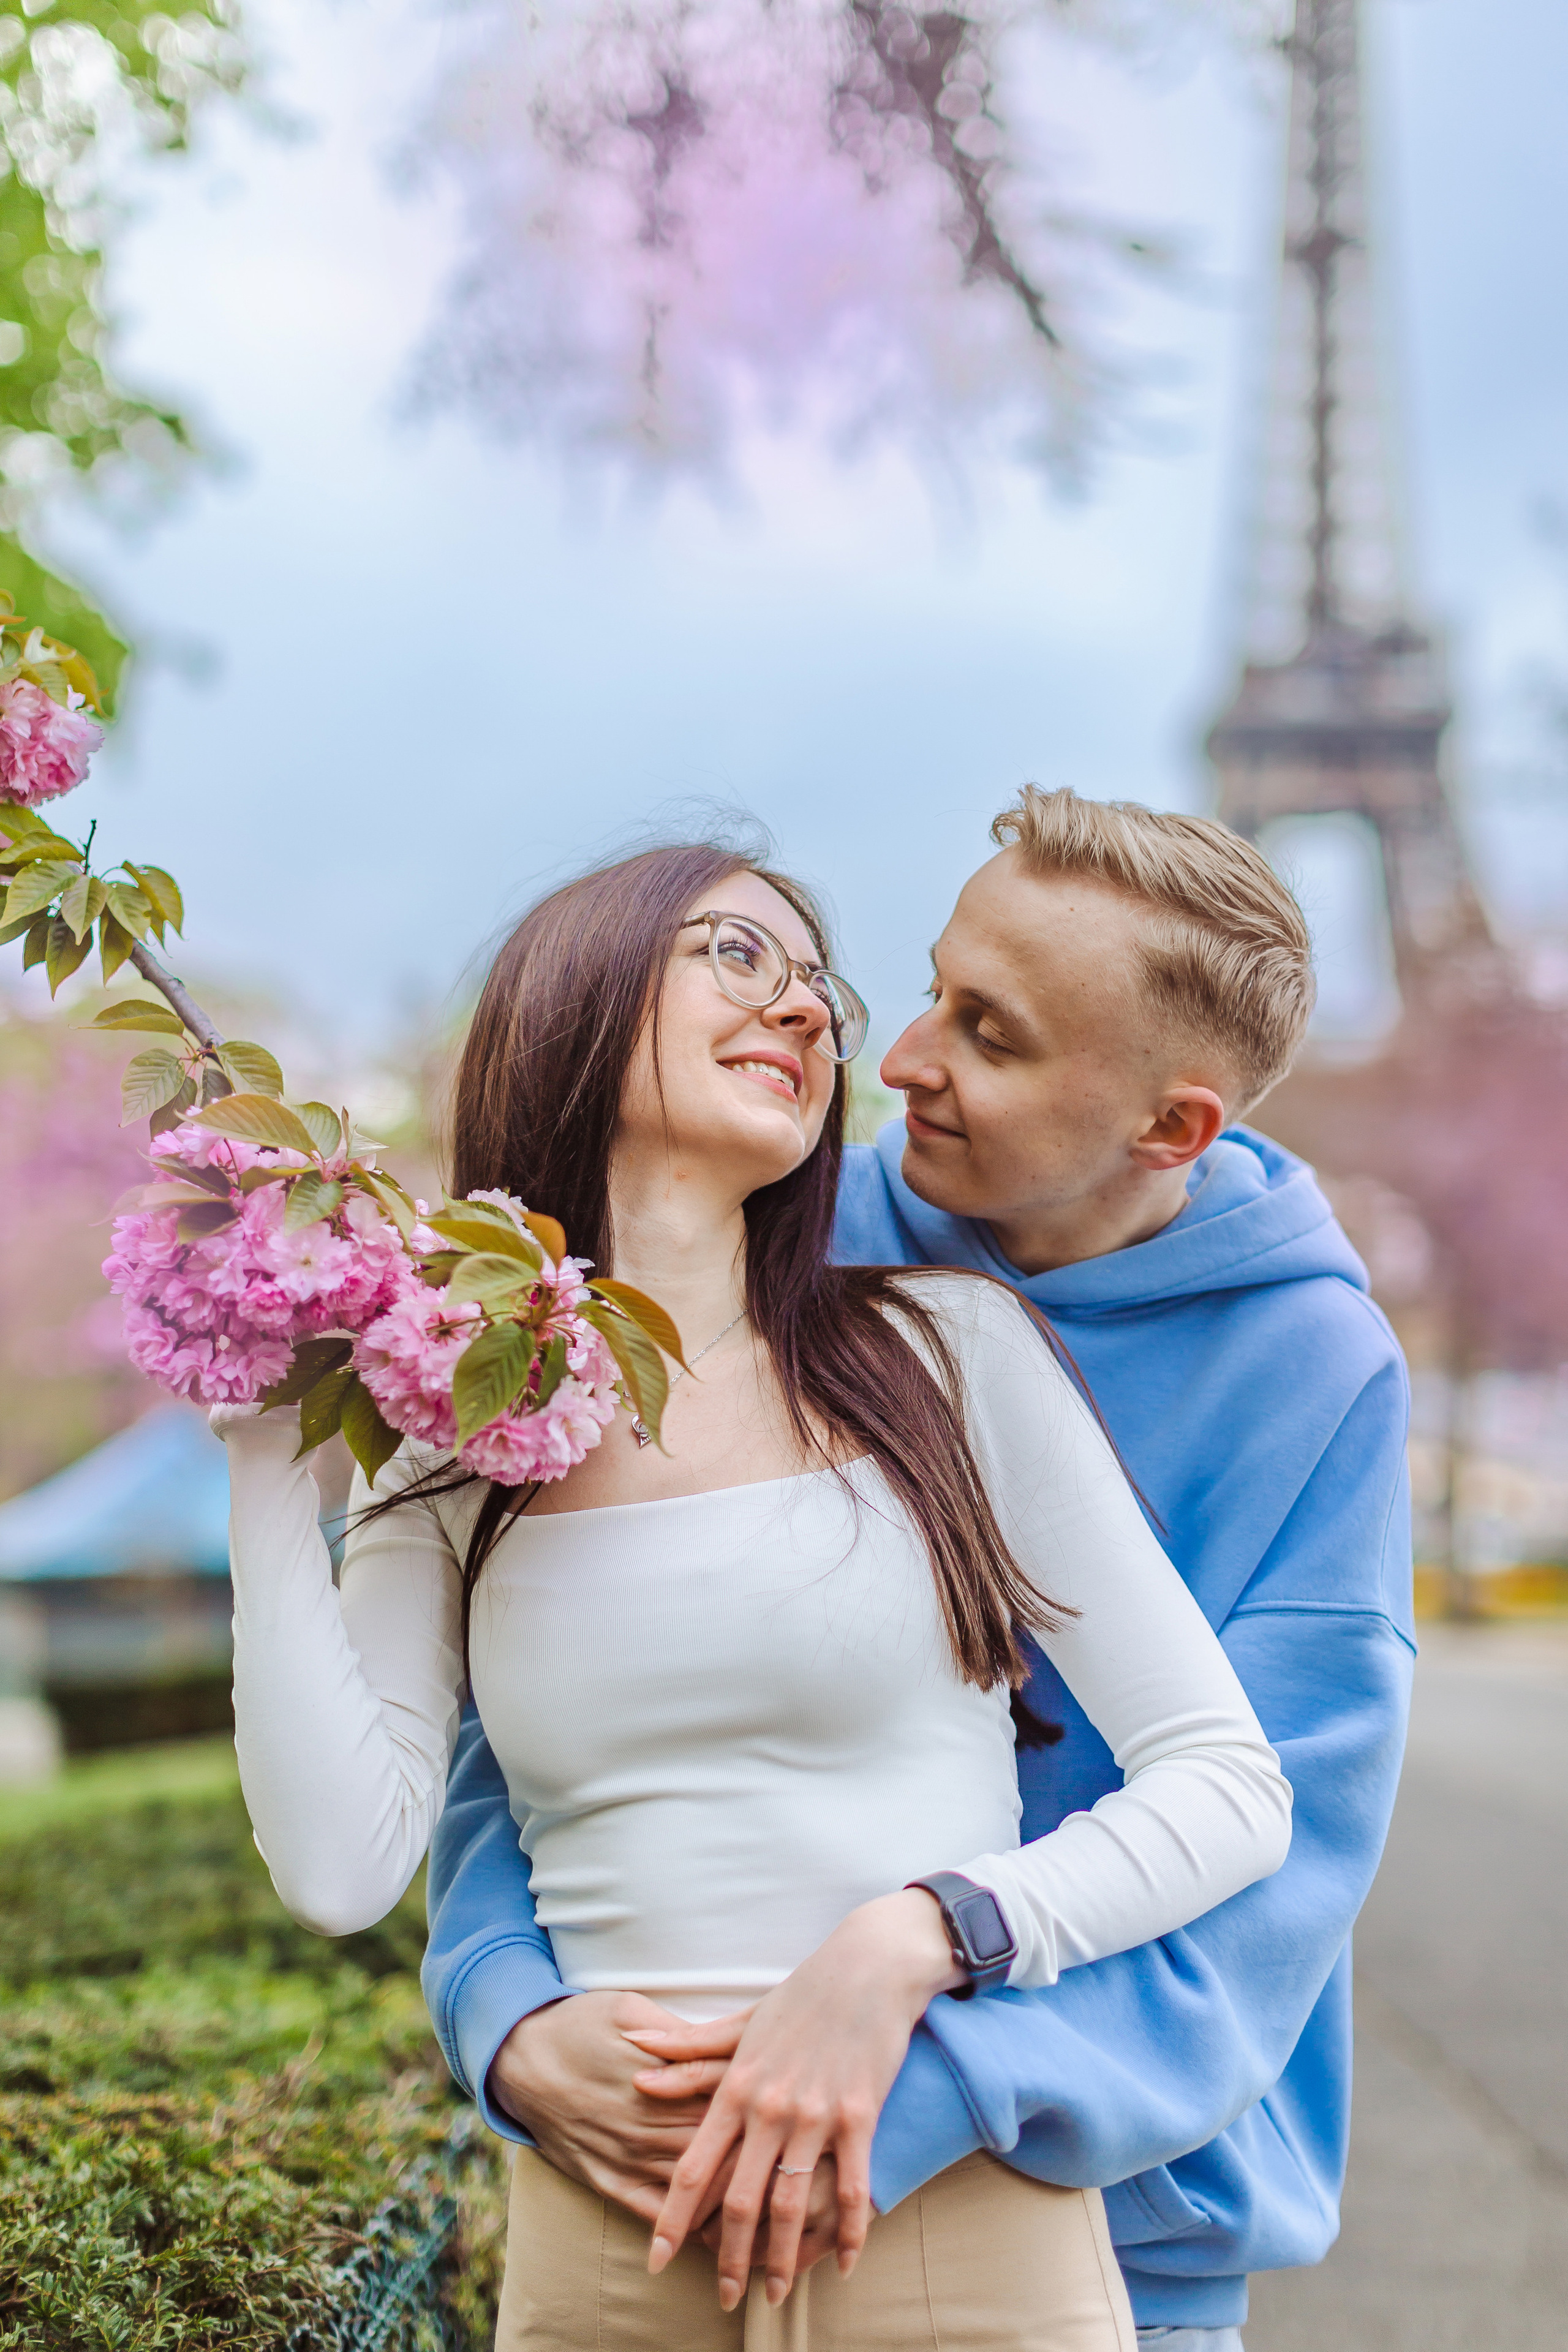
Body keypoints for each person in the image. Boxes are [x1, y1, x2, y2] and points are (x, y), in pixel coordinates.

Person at [214, 835, 1294, 2352]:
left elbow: (1229, 1787)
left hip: (951, 2229)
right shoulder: (452, 1442)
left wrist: (922, 1934)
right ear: (574, 996)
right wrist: (270, 1475)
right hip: (609, 2254)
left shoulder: (946, 1354)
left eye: (815, 985)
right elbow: (340, 1871)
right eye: (736, 954)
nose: (801, 1008)